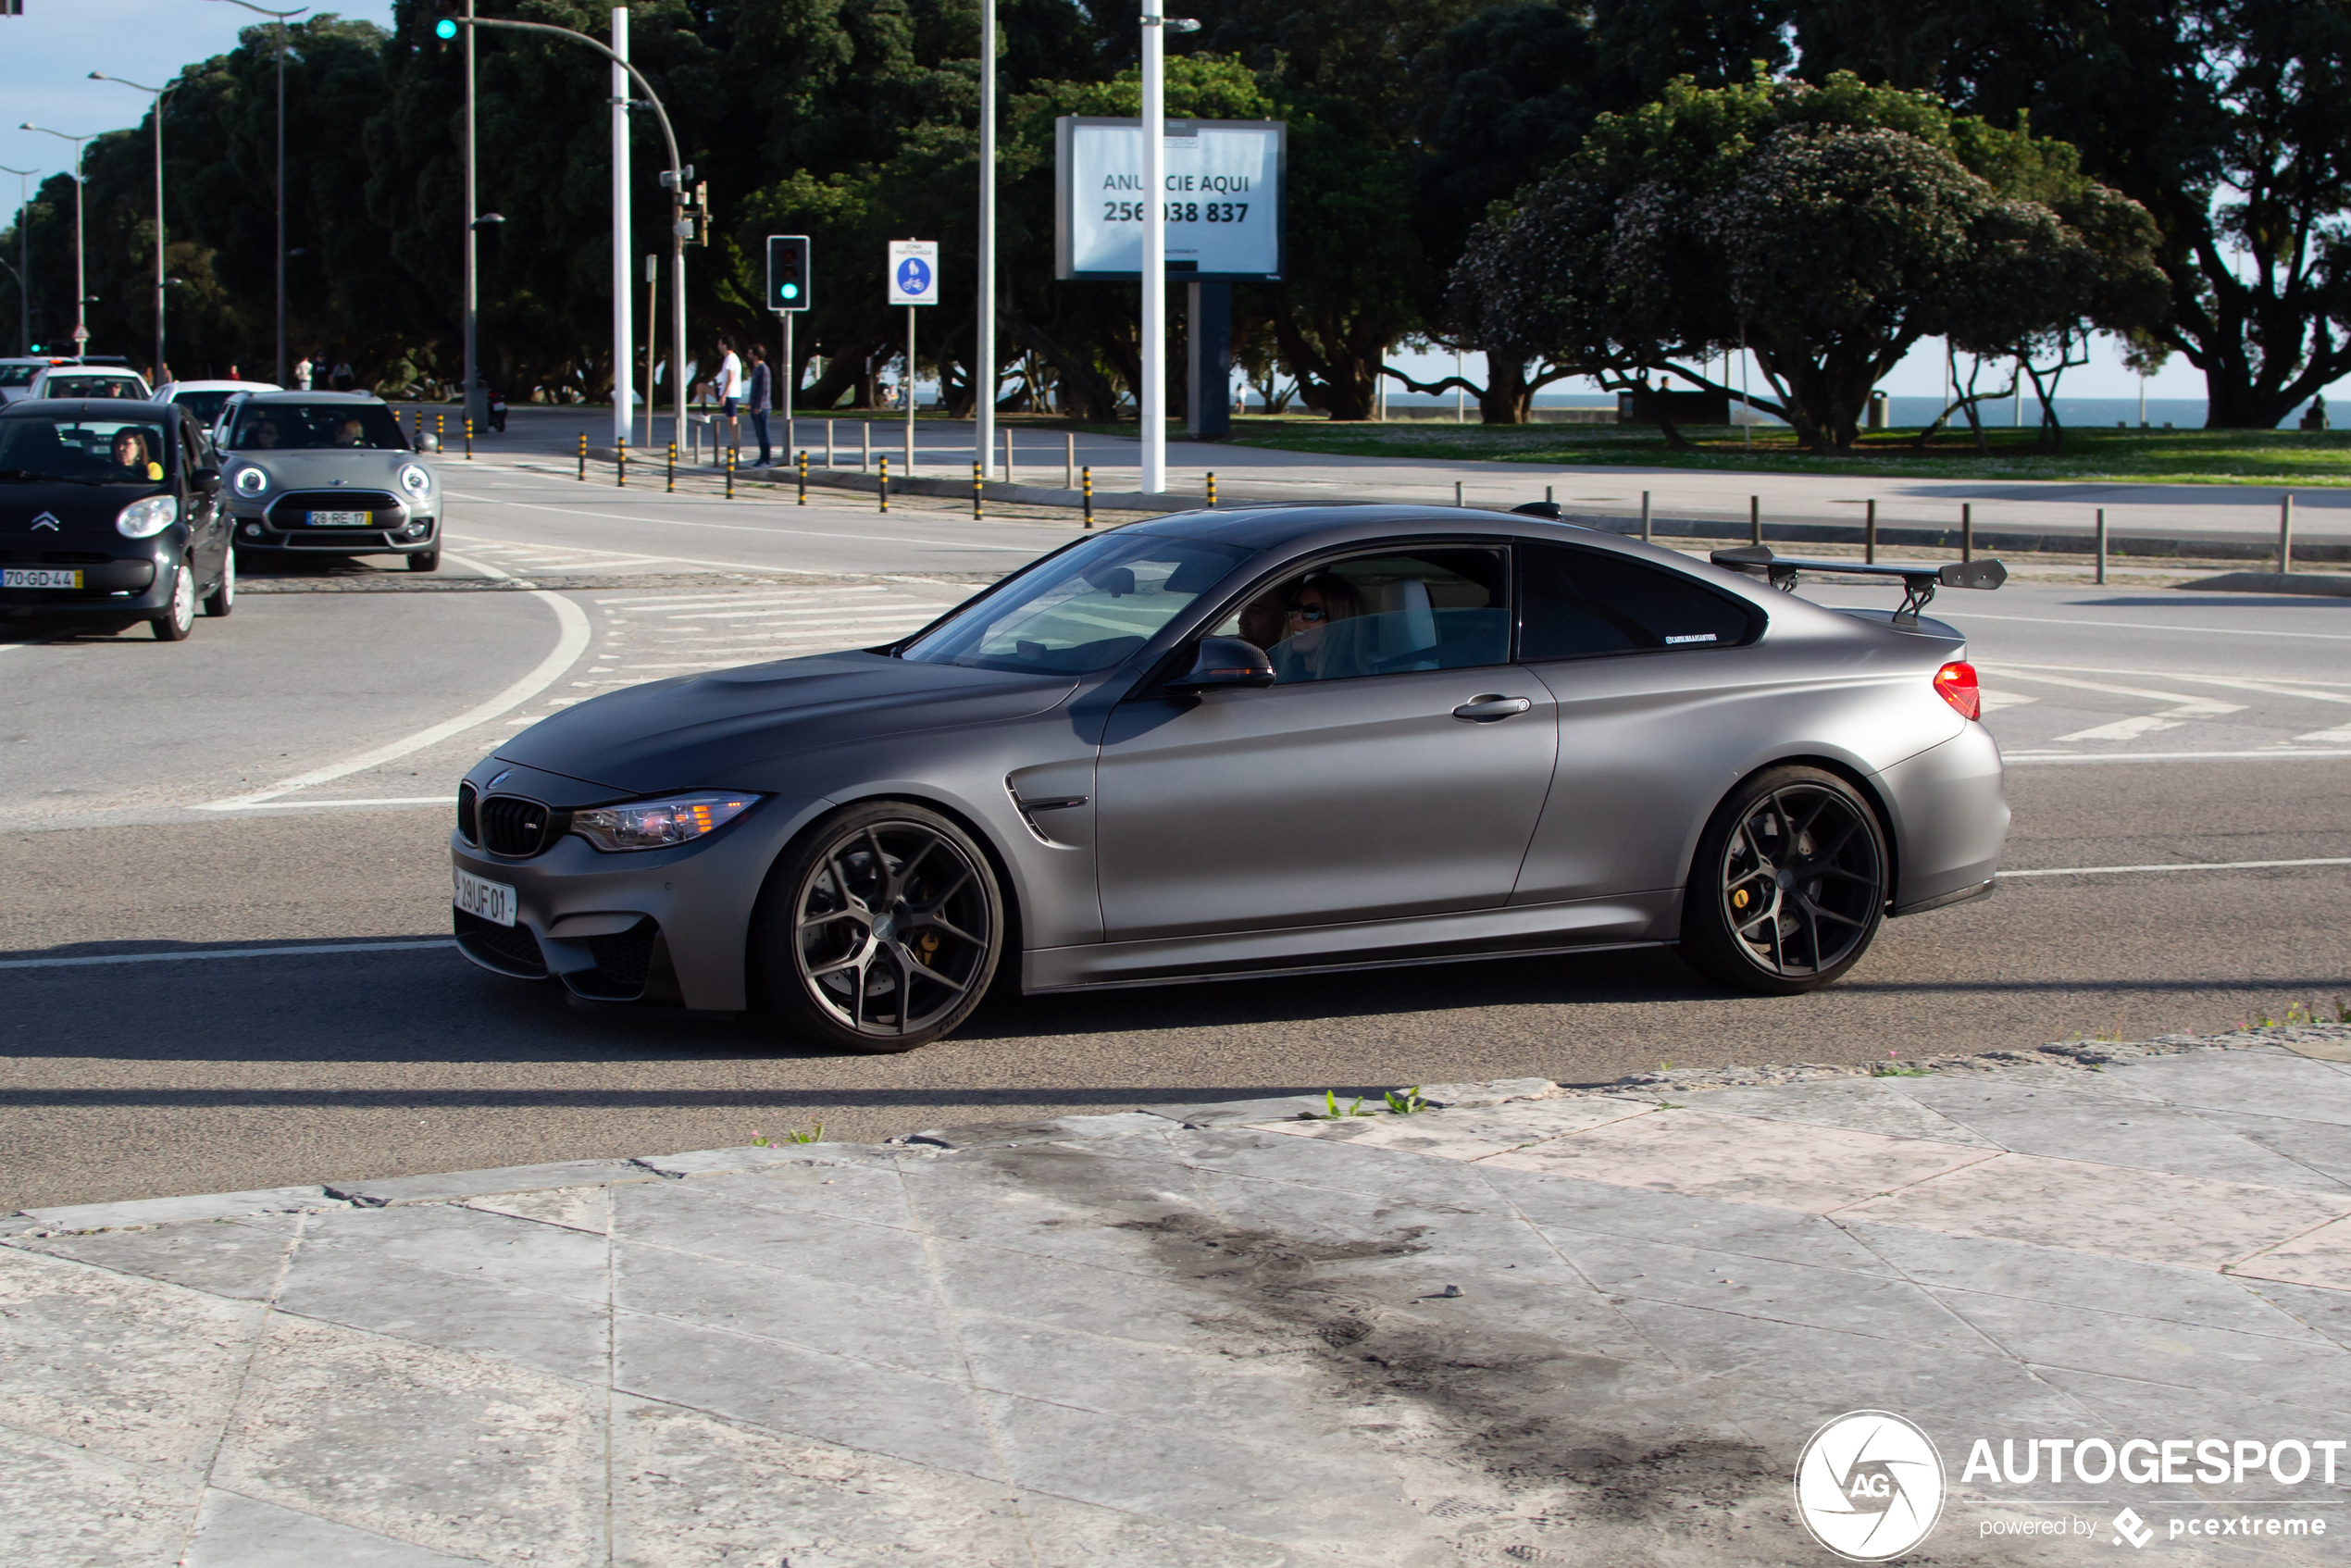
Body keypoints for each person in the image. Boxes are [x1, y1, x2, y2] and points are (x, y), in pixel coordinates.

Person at [1272, 572, 1363, 681]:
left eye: (1311, 613)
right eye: (1295, 608)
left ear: (1337, 623)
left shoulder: (1349, 686)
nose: (1296, 618)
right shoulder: (1280, 674)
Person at [714, 334, 743, 459]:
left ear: (725, 345)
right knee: (731, 424)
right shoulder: (730, 358)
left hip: (730, 395)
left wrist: (723, 396)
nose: (718, 346)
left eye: (720, 343)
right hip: (730, 393)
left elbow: (731, 379)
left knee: (733, 424)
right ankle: (736, 449)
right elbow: (728, 379)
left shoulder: (731, 359)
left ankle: (738, 451)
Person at [745, 343, 773, 467]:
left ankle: (766, 458)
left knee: (763, 433)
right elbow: (755, 389)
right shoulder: (756, 369)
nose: (748, 356)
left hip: (762, 409)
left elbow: (765, 391)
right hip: (755, 407)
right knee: (759, 434)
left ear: (756, 355)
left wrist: (759, 406)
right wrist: (750, 404)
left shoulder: (764, 369)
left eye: (751, 353)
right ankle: (762, 457)